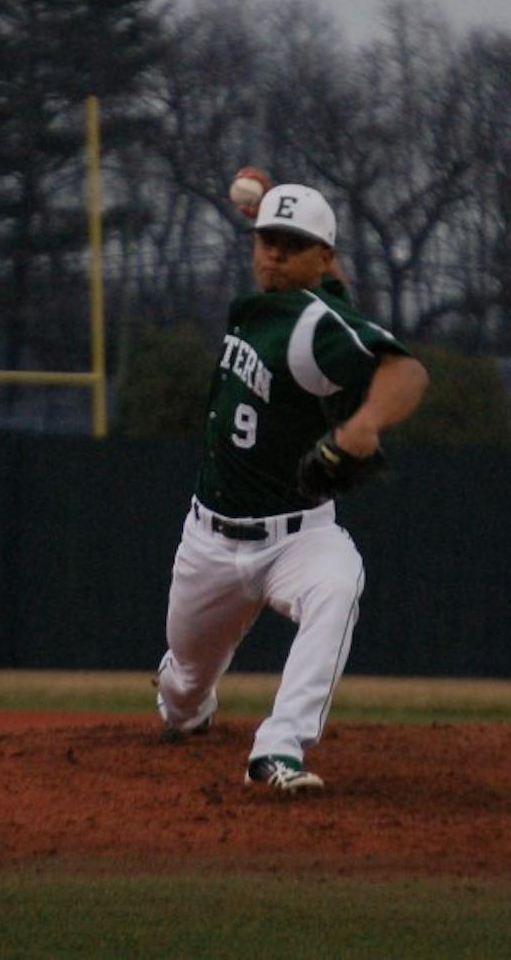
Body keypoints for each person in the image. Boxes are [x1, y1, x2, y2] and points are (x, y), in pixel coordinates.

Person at [154, 169, 430, 793]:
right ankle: (190, 707)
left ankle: (279, 749)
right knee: (183, 688)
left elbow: (406, 374)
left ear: (323, 256)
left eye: (290, 243)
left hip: (297, 536)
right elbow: (316, 274)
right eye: (265, 239)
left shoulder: (316, 325)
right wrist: (280, 210)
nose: (273, 252)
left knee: (338, 584)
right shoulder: (279, 300)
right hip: (209, 541)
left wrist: (361, 426)